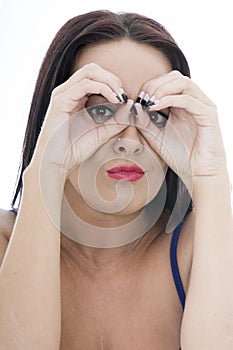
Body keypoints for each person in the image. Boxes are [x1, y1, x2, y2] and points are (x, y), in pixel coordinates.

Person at [0, 9, 232, 350]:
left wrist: (211, 178)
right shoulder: (6, 244)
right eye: (101, 110)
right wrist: (44, 171)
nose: (130, 140)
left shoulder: (204, 246)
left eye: (155, 114)